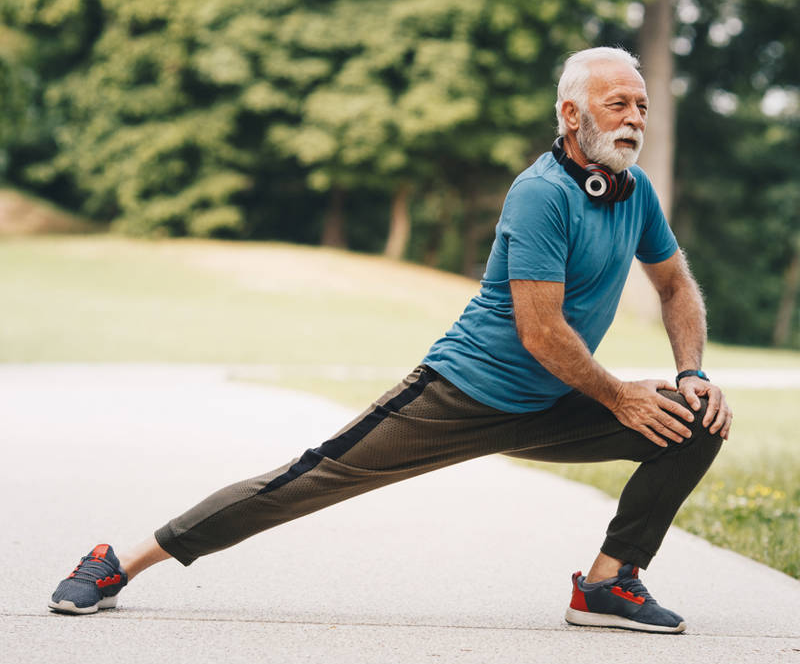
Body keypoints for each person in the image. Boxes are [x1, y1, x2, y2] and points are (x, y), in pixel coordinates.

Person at [49, 46, 731, 633]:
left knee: (695, 420)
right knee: (303, 481)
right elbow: (541, 331)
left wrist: (690, 374)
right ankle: (120, 561)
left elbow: (674, 287)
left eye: (642, 107)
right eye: (619, 104)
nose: (636, 119)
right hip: (463, 393)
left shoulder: (633, 192)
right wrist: (620, 396)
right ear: (571, 116)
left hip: (558, 404)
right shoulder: (542, 194)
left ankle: (608, 584)